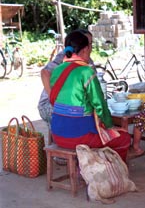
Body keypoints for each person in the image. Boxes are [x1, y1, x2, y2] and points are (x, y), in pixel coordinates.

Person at [49, 30, 131, 163]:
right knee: (124, 137)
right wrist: (110, 126)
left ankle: (86, 169)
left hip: (57, 135)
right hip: (79, 136)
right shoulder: (86, 71)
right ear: (86, 48)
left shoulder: (57, 70)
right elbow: (100, 104)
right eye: (91, 46)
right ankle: (115, 176)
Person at [38, 29, 94, 141]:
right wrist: (54, 99)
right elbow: (45, 73)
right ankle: (70, 146)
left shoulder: (88, 60)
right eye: (88, 43)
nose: (90, 47)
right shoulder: (65, 57)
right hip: (48, 105)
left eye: (91, 43)